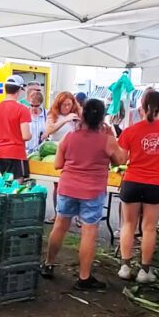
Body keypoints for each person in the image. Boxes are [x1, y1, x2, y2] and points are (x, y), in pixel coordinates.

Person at [40, 99, 125, 290]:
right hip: (92, 191)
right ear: (102, 118)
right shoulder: (107, 140)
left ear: (82, 114)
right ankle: (84, 278)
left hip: (67, 187)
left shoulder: (69, 137)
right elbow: (120, 160)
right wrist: (111, 134)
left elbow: (57, 165)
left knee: (60, 225)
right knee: (88, 232)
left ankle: (48, 264)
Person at [117, 90, 159, 283]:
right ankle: (145, 271)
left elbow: (122, 159)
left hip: (132, 180)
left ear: (141, 105)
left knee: (128, 224)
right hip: (156, 183)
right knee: (149, 228)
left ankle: (125, 267)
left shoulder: (130, 131)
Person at [0, 75, 33, 177]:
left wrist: (4, 136)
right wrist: (30, 135)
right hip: (16, 154)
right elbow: (26, 136)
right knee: (16, 189)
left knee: (0, 188)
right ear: (19, 90)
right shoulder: (22, 109)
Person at [25, 81, 48, 153]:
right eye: (32, 105)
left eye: (36, 106)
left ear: (41, 103)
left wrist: (47, 133)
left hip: (42, 151)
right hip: (26, 151)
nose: (34, 108)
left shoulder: (46, 114)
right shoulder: (24, 113)